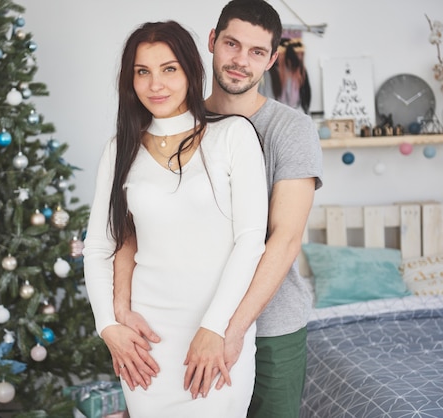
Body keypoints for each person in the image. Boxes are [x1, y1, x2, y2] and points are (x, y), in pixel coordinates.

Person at [109, 1, 324, 417]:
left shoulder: (290, 130)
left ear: (273, 60)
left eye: (257, 52)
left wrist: (231, 328)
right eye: (232, 44)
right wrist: (119, 313)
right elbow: (131, 225)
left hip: (270, 325)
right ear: (212, 41)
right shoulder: (167, 118)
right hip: (180, 324)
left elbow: (283, 239)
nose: (241, 61)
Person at [83, 20, 268, 418]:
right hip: (147, 342)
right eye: (142, 72)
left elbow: (251, 240)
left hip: (215, 332)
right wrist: (108, 326)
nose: (156, 85)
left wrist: (216, 327)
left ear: (190, 71)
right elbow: (100, 245)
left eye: (169, 69)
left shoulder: (234, 135)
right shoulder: (120, 150)